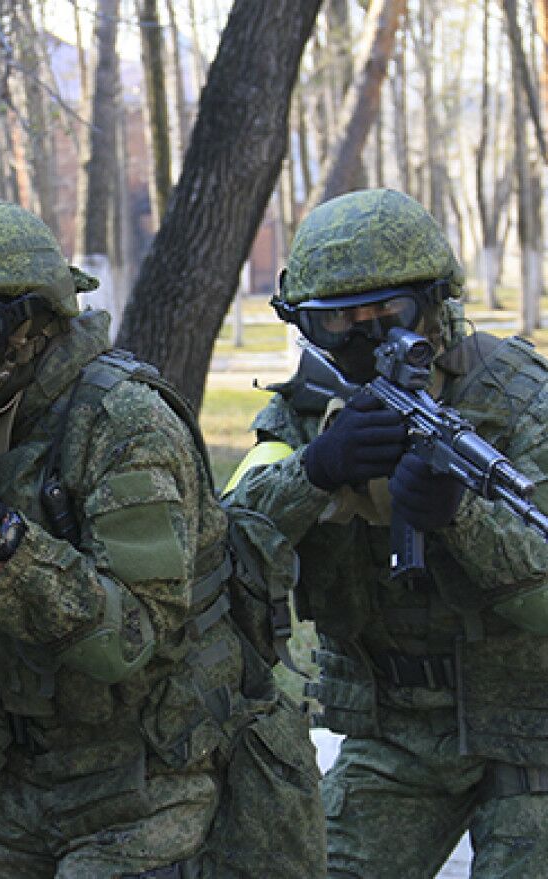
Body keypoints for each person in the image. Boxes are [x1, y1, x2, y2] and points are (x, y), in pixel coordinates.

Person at [0, 199, 323, 877]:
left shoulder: (122, 420)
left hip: (140, 777)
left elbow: (136, 636)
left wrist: (8, 548)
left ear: (36, 320)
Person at [225, 188, 548, 878]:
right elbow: (217, 557)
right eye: (338, 320)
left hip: (533, 729)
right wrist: (314, 470)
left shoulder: (521, 399)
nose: (365, 336)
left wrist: (458, 515)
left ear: (434, 306)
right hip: (394, 736)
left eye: (388, 313)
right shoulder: (307, 415)